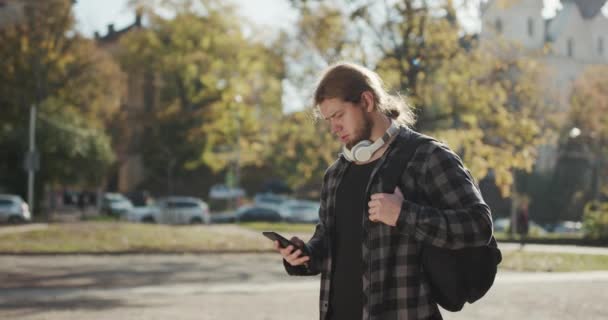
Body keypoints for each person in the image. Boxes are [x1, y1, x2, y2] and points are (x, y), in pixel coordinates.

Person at [273, 62, 493, 320]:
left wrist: (403, 215)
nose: (334, 128)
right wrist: (304, 256)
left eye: (339, 115)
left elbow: (479, 226)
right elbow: (329, 245)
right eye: (329, 120)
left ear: (366, 101)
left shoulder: (427, 156)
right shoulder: (335, 174)